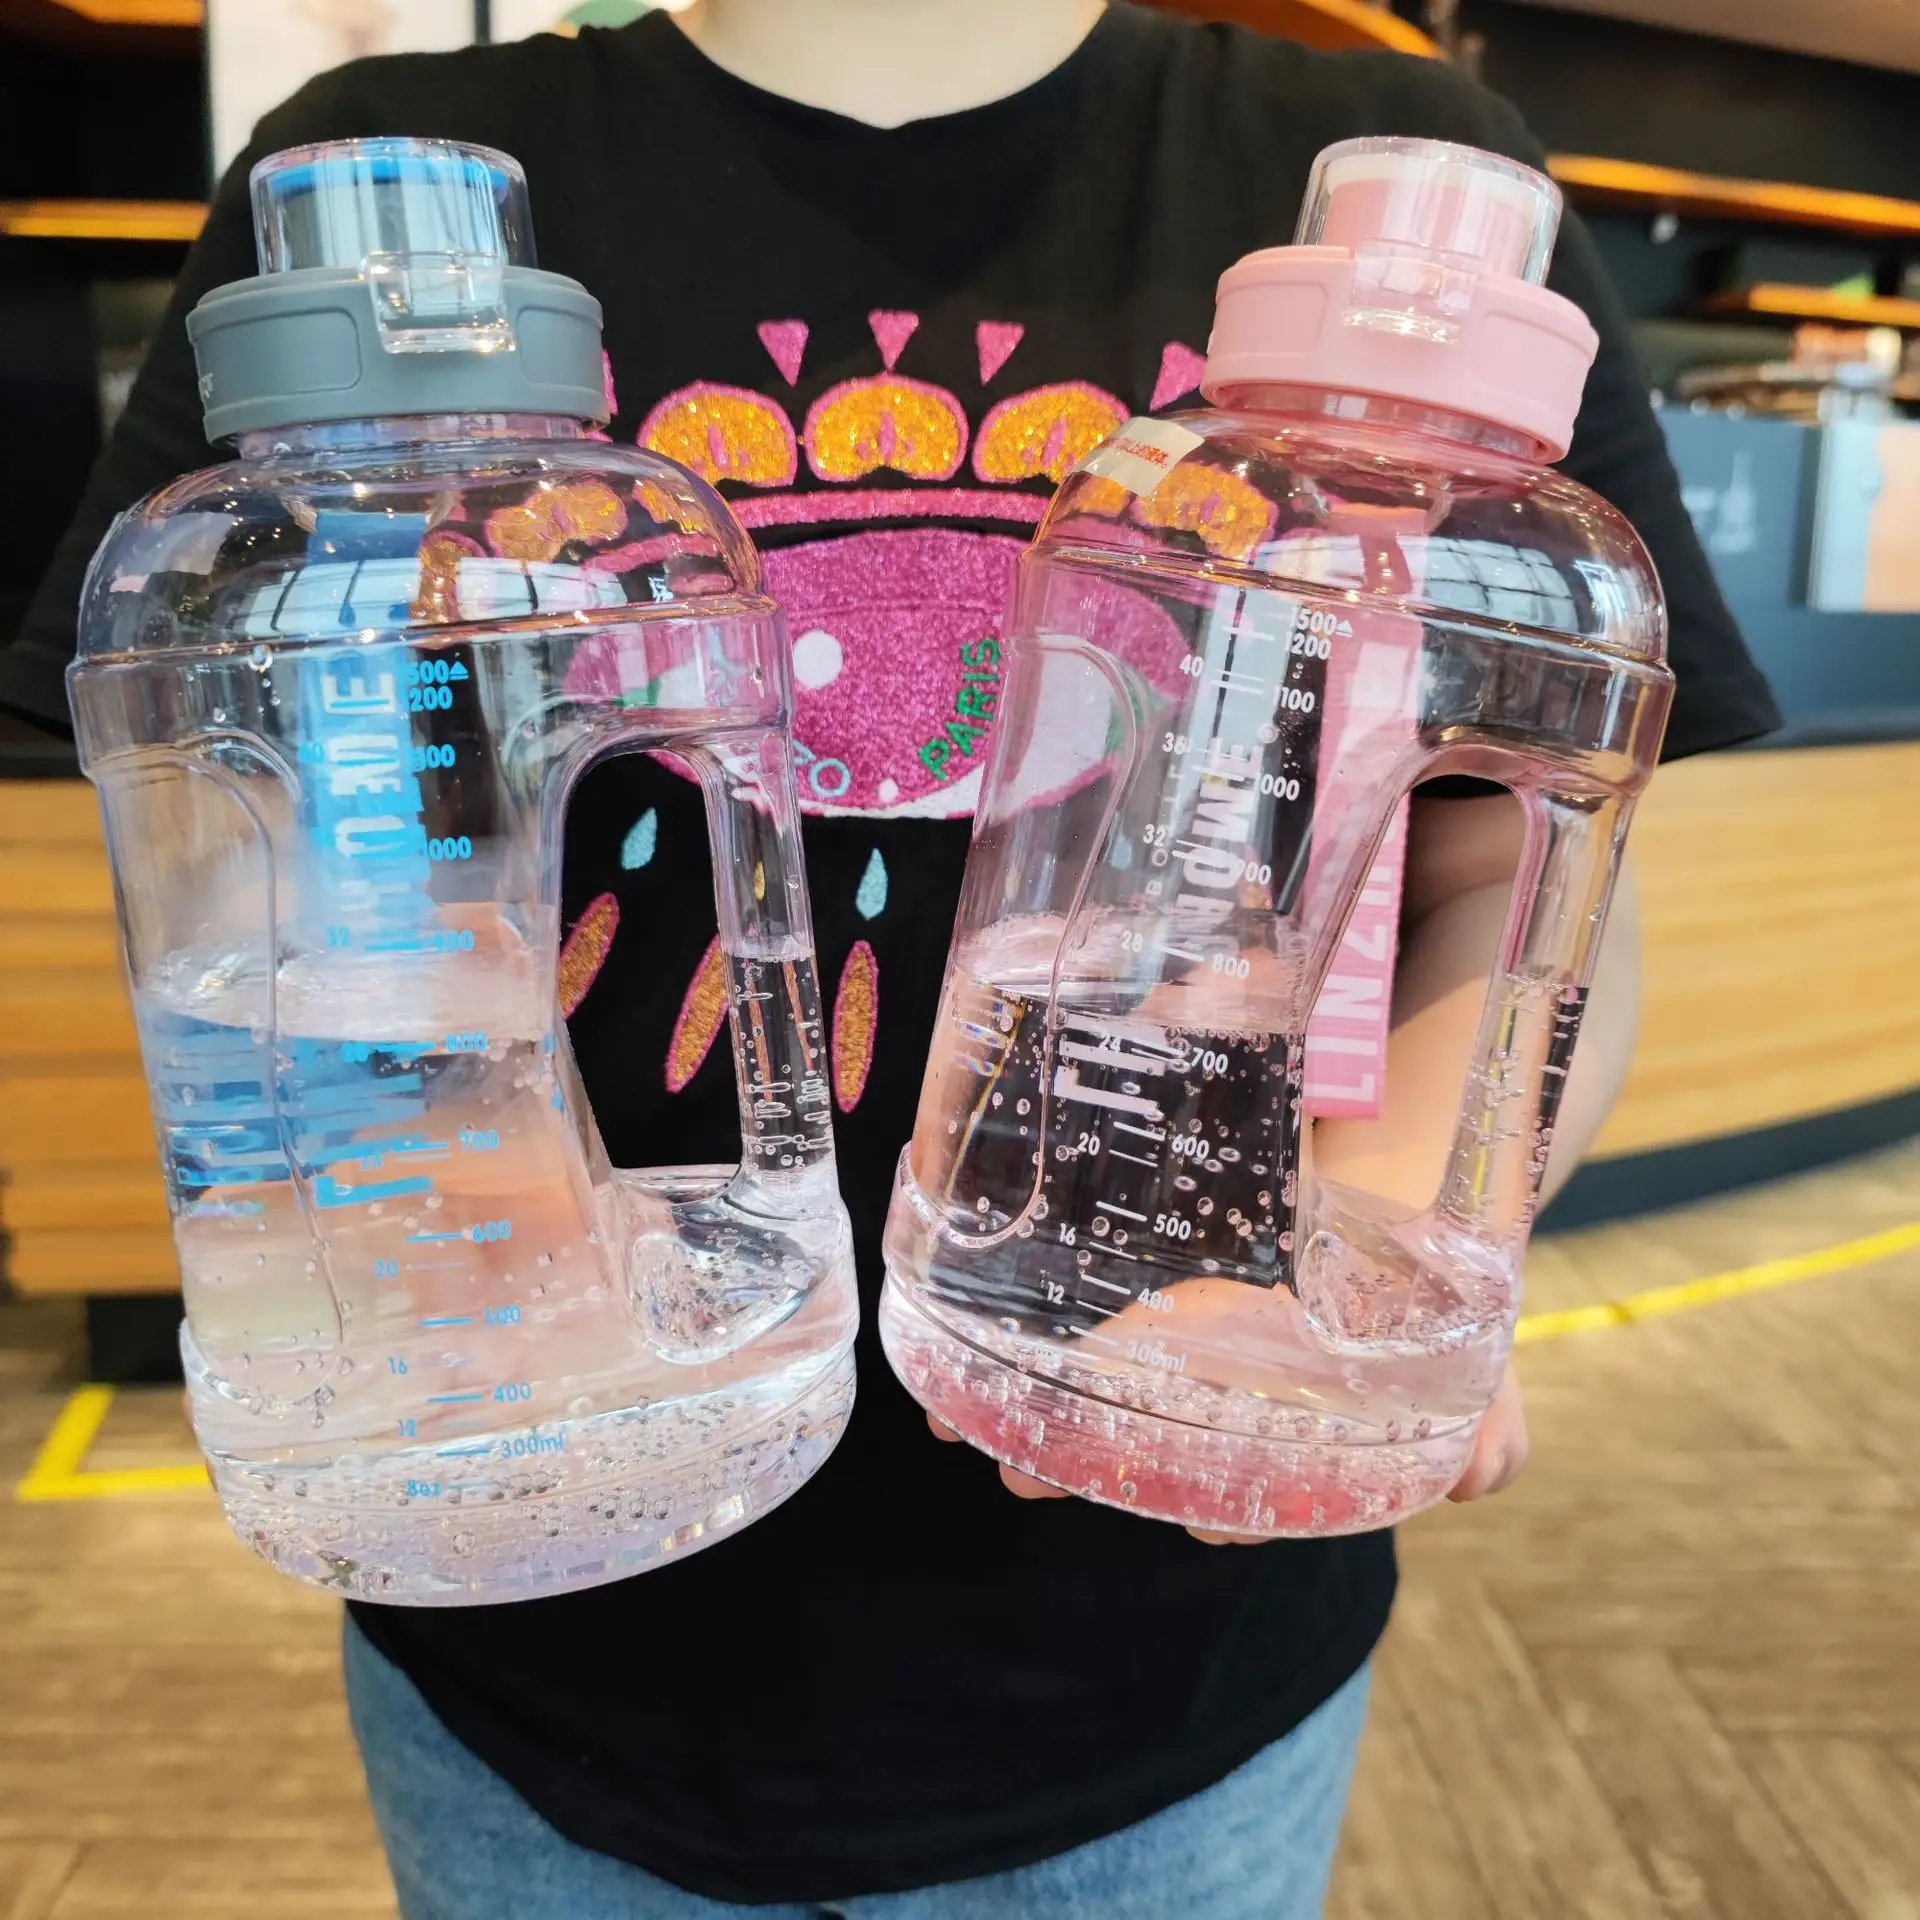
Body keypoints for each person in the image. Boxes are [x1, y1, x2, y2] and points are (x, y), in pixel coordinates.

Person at [1, 2, 1778, 1914]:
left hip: (1164, 1641)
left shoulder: (1358, 141)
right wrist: (427, 1257)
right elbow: (230, 855)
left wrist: (1372, 1284)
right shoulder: (386, 144)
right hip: (530, 1597)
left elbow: (1524, 889)